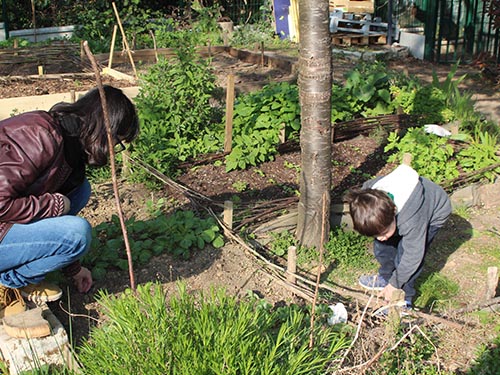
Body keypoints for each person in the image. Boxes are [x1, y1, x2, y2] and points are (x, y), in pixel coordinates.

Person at [0, 85, 139, 318]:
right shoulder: (40, 135)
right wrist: (53, 205)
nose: (116, 150)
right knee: (77, 233)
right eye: (119, 141)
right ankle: (8, 283)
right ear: (107, 130)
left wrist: (74, 268)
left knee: (80, 191)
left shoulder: (71, 148)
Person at [345, 163, 451, 310]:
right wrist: (383, 233)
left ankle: (403, 297)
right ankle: (387, 278)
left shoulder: (411, 220)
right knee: (382, 248)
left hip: (434, 212)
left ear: (394, 212)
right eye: (375, 234)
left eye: (382, 233)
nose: (381, 237)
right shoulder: (369, 194)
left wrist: (397, 283)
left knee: (404, 255)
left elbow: (412, 256)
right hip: (398, 218)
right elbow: (382, 232)